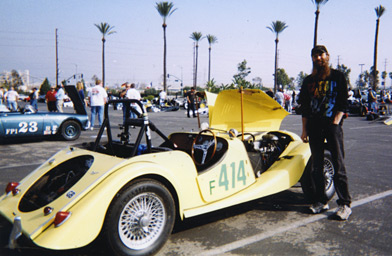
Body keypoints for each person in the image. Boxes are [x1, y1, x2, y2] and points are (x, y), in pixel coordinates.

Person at [298, 45, 352, 220]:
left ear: (327, 56)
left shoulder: (337, 76)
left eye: (321, 55)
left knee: (338, 164)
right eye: (315, 56)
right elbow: (304, 107)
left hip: (332, 126)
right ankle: (321, 201)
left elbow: (343, 101)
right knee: (316, 166)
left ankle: (344, 204)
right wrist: (304, 129)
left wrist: (336, 121)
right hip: (314, 127)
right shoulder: (308, 81)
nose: (318, 58)